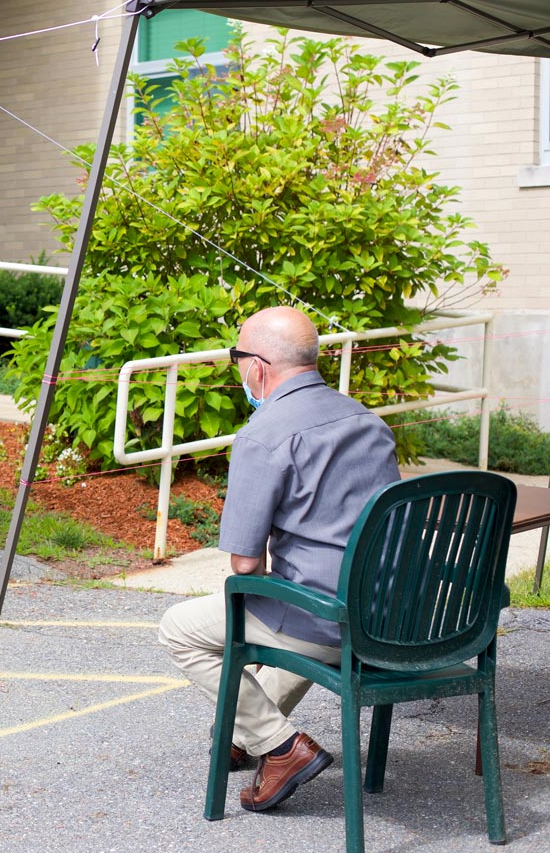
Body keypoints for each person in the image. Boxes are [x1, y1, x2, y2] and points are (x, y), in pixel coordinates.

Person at [157, 306, 399, 814]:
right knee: (301, 607)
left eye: (236, 357)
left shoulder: (264, 434)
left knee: (180, 628)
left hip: (330, 619)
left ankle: (280, 746)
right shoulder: (368, 421)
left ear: (258, 367)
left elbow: (244, 564)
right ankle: (248, 735)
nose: (237, 368)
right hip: (390, 614)